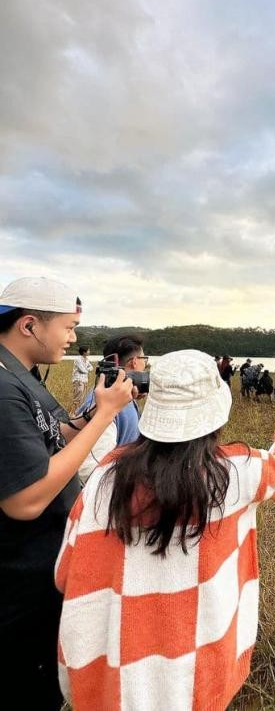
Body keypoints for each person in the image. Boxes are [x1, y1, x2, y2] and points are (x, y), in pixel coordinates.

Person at [55, 350, 275, 711]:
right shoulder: (239, 472)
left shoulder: (106, 479)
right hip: (202, 677)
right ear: (215, 414)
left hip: (117, 683)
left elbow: (65, 573)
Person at [0, 277, 134, 711]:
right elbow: (26, 500)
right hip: (17, 574)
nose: (75, 338)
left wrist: (97, 406)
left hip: (36, 562)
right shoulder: (3, 391)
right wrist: (107, 417)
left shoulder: (19, 375)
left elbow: (49, 433)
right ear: (29, 325)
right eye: (69, 326)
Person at [77, 334, 148, 482]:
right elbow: (89, 469)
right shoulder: (105, 404)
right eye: (144, 359)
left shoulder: (121, 397)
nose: (146, 365)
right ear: (135, 362)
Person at [71, 345, 92, 413]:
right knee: (78, 396)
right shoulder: (78, 359)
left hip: (85, 380)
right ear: (84, 352)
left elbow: (91, 368)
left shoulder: (87, 360)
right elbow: (83, 370)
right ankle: (73, 412)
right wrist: (87, 369)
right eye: (88, 350)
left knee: (83, 397)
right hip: (78, 380)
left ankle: (79, 412)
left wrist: (87, 369)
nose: (89, 351)